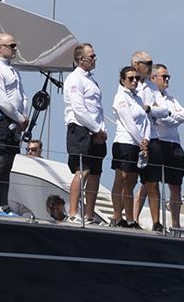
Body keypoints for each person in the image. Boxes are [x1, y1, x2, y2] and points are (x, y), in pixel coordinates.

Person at [62, 43, 107, 224]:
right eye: (92, 56)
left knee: (96, 172)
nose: (95, 59)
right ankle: (73, 213)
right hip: (80, 129)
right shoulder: (74, 79)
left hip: (96, 130)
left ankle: (89, 214)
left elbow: (97, 108)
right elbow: (79, 108)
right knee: (83, 170)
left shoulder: (91, 80)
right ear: (81, 59)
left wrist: (101, 130)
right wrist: (96, 129)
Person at [0, 32, 28, 212]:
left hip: (14, 124)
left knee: (8, 164)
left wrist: (22, 117)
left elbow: (21, 94)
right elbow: (1, 100)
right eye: (11, 46)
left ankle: (3, 204)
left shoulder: (12, 70)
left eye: (15, 45)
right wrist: (19, 118)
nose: (15, 49)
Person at [130, 51, 170, 231]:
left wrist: (148, 109)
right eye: (148, 63)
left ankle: (156, 221)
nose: (151, 66)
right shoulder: (127, 83)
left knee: (152, 183)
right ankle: (129, 219)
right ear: (137, 64)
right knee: (128, 180)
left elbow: (164, 110)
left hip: (152, 137)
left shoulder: (152, 88)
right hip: (132, 138)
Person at [150, 63, 184, 230]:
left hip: (174, 144)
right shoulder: (150, 95)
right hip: (158, 142)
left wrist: (170, 115)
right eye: (163, 76)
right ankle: (143, 220)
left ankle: (175, 224)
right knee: (150, 184)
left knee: (176, 186)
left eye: (168, 77)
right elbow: (161, 119)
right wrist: (174, 118)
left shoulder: (171, 98)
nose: (167, 79)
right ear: (153, 78)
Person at [110, 66, 150, 229]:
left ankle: (131, 219)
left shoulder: (138, 98)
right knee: (121, 179)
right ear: (122, 80)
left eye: (136, 78)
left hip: (137, 144)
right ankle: (118, 216)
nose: (134, 81)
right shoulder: (121, 97)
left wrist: (146, 138)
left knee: (131, 181)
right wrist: (141, 140)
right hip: (125, 142)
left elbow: (145, 121)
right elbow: (128, 122)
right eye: (130, 78)